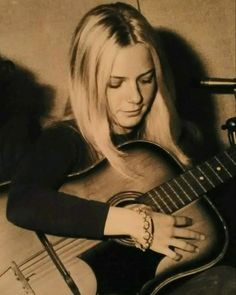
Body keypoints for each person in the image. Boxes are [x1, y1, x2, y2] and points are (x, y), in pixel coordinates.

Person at [6, 2, 235, 294]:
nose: (135, 97)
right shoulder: (67, 139)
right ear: (87, 82)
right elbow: (22, 203)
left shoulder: (179, 142)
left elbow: (216, 225)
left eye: (146, 79)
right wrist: (137, 224)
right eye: (116, 83)